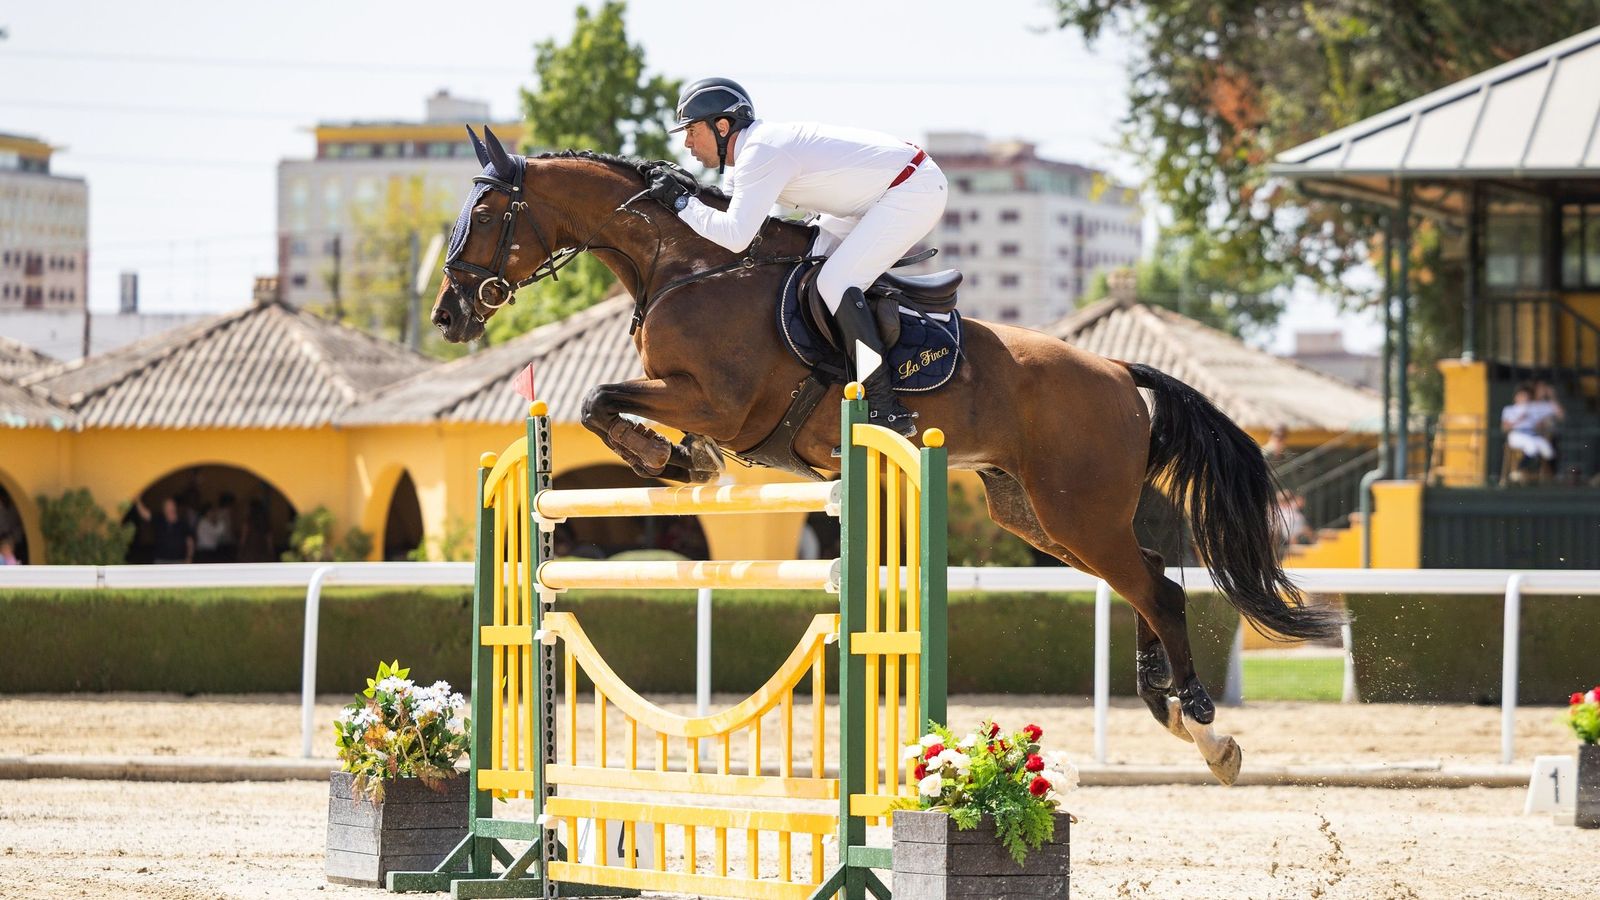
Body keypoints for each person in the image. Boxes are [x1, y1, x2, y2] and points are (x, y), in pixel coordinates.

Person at [645, 77, 947, 437]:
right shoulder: (750, 155)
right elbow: (726, 219)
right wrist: (686, 197)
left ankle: (883, 405)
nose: (687, 142)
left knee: (835, 282)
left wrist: (680, 202)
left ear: (722, 126)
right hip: (880, 195)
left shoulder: (761, 151)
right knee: (811, 261)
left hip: (912, 190)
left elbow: (735, 237)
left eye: (692, 130)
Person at [1500, 383, 1556, 476]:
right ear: (1516, 397)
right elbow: (1504, 428)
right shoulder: (1509, 409)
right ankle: (1518, 471)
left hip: (1532, 434)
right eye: (1521, 396)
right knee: (1531, 446)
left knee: (1547, 450)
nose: (1524, 398)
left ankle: (1548, 475)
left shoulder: (1532, 409)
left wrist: (1543, 422)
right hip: (1516, 435)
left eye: (1526, 396)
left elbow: (1541, 425)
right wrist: (1519, 419)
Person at [135, 496, 194, 565]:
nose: (170, 508)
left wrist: (189, 558)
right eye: (167, 506)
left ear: (175, 507)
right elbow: (144, 514)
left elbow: (190, 542)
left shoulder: (183, 523)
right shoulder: (159, 519)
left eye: (172, 505)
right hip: (160, 561)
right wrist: (137, 500)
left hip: (179, 561)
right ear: (164, 509)